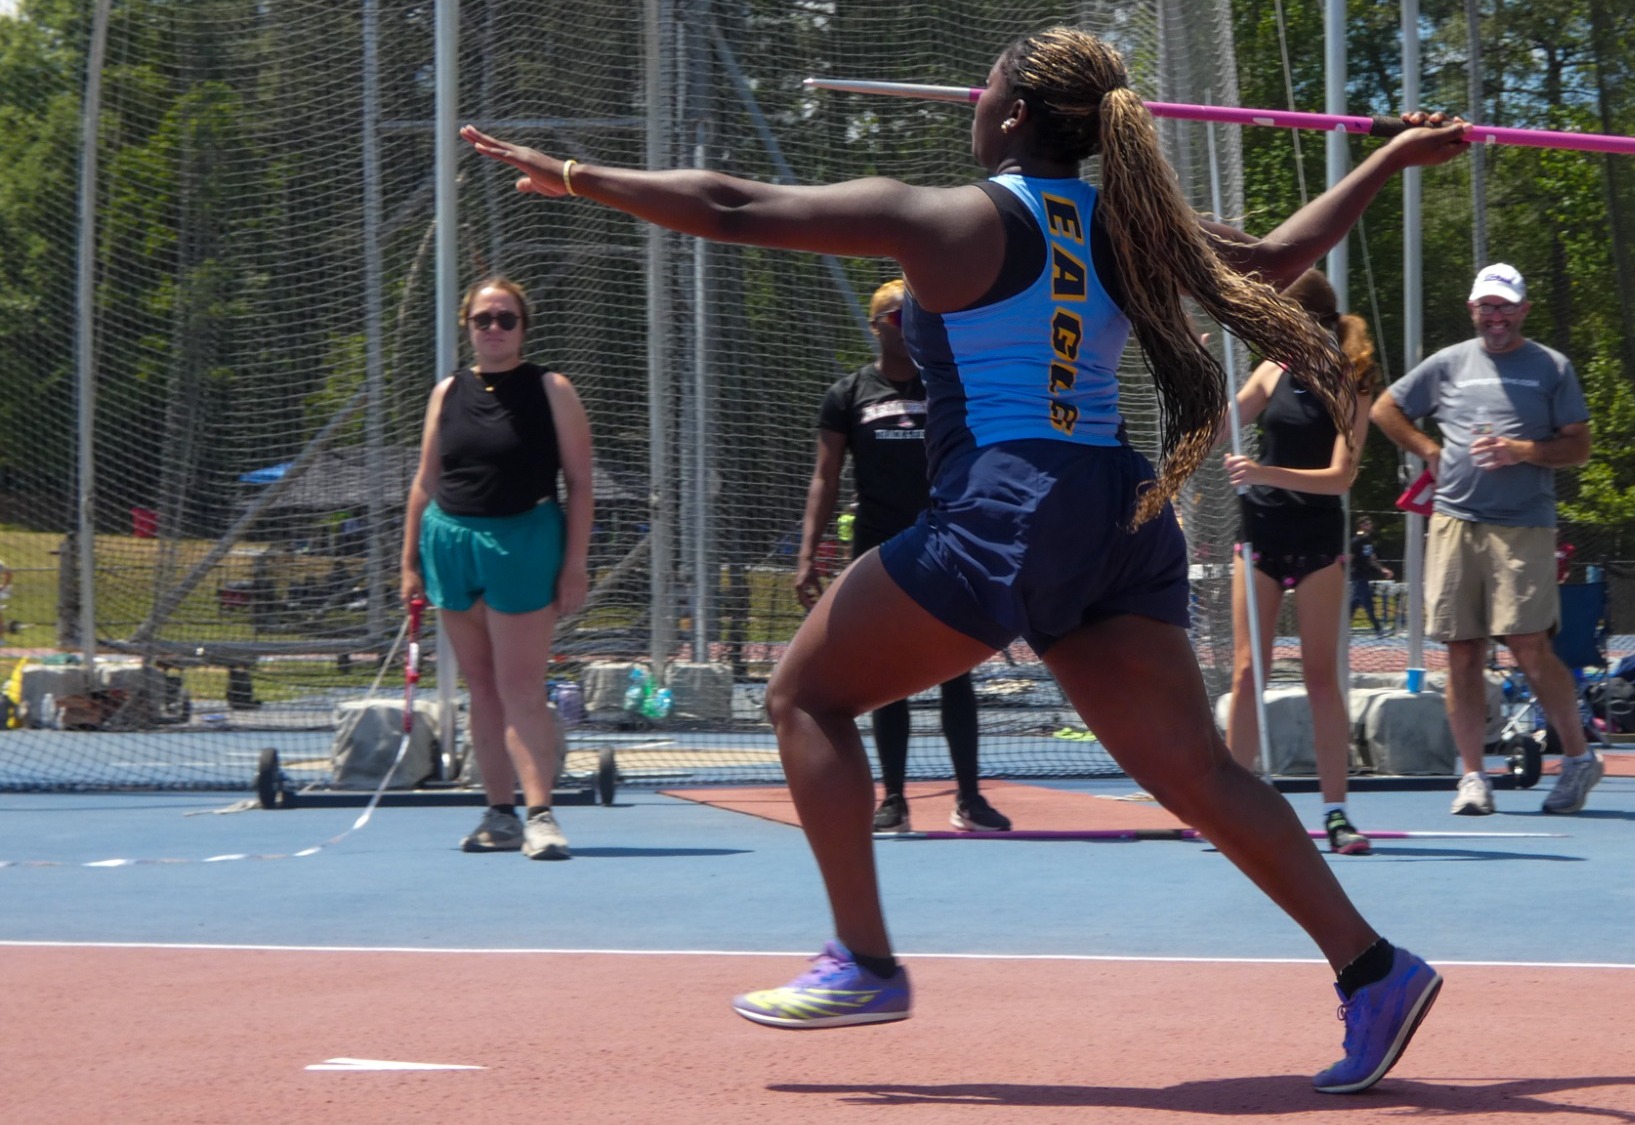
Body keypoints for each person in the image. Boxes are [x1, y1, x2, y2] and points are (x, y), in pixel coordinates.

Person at [464, 26, 1467, 1092]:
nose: (973, 100)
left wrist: (581, 174)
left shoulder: (949, 219)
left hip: (1011, 505)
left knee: (805, 698)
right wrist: (1385, 161)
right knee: (1196, 772)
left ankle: (863, 958)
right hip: (1120, 506)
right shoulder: (1132, 227)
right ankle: (1371, 968)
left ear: (1013, 114)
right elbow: (1272, 262)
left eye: (983, 87)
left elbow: (735, 207)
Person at [1370, 262, 1598, 817]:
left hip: (1523, 525)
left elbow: (1579, 447)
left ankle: (1577, 758)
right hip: (1453, 521)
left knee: (1528, 646)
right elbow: (1384, 408)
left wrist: (1521, 450)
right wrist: (1427, 450)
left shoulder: (1551, 368)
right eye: (1486, 307)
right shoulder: (1449, 363)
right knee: (1462, 651)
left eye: (1505, 306)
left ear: (1522, 310)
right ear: (1473, 310)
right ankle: (1472, 777)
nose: (1495, 317)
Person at [795, 278, 1007, 834]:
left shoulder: (946, 387)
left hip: (947, 541)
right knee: (886, 675)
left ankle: (969, 798)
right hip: (879, 547)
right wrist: (807, 553)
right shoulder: (849, 394)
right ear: (875, 326)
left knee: (955, 671)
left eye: (915, 317)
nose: (907, 327)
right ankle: (893, 799)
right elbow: (825, 477)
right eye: (896, 318)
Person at [401, 277, 594, 860]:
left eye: (505, 319)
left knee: (519, 687)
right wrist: (409, 561)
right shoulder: (446, 393)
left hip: (524, 540)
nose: (493, 329)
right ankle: (498, 812)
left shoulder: (552, 389)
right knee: (480, 689)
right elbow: (425, 480)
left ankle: (541, 815)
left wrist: (575, 564)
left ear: (523, 329)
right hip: (452, 541)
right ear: (467, 326)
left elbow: (581, 484)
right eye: (483, 319)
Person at [1221, 270, 1378, 856]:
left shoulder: (1352, 380)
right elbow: (1223, 426)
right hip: (1261, 531)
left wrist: (1262, 472)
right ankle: (1232, 804)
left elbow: (1341, 478)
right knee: (1246, 672)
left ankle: (1335, 812)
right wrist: (1194, 371)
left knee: (1319, 677)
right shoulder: (1274, 366)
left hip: (1316, 538)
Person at [1349, 515, 1385, 635]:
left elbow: (1371, 558)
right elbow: (1350, 557)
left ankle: (1342, 625)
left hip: (1364, 574)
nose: (1370, 525)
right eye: (1367, 524)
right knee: (1366, 600)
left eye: (1370, 523)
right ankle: (1377, 627)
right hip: (1357, 574)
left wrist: (1382, 569)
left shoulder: (1367, 540)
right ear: (1362, 526)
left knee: (1355, 602)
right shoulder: (1356, 541)